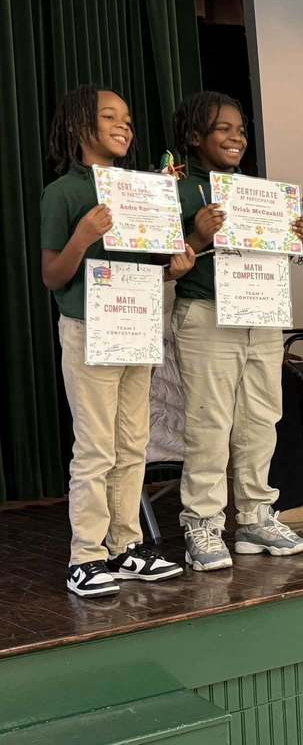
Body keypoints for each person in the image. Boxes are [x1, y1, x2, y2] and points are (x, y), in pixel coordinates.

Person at [41, 85, 194, 596]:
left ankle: (125, 545)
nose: (124, 125)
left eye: (127, 117)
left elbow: (148, 268)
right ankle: (85, 556)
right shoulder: (63, 192)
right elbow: (52, 275)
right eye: (110, 116)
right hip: (89, 327)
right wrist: (83, 235)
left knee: (132, 443)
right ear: (78, 126)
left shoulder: (139, 190)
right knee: (95, 447)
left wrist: (175, 266)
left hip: (137, 323)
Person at [172, 91, 303, 569]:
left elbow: (272, 255)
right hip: (207, 312)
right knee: (210, 423)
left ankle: (255, 515)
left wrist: (295, 240)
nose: (236, 138)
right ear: (194, 136)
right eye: (223, 129)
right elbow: (159, 262)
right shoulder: (180, 189)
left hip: (261, 314)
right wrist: (195, 235)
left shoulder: (255, 192)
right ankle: (203, 524)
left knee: (261, 419)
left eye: (241, 130)